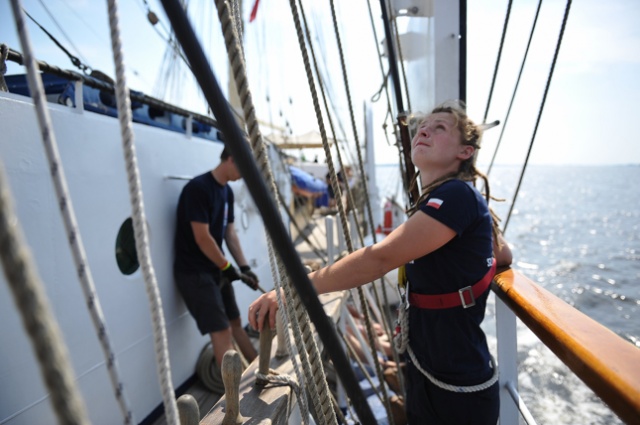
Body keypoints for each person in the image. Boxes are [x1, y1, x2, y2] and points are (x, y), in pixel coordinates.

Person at [248, 101, 512, 424]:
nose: (424, 130)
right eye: (423, 126)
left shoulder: (457, 196)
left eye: (440, 127)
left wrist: (297, 288)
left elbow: (380, 258)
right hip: (431, 378)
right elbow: (504, 255)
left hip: (456, 394)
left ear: (465, 152)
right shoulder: (451, 199)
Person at [174, 146, 259, 372]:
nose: (244, 175)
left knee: (236, 324)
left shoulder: (227, 192)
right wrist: (227, 266)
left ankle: (263, 371)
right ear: (231, 159)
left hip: (217, 269)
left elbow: (229, 233)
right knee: (222, 332)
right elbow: (202, 238)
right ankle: (237, 395)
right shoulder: (198, 189)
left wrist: (244, 267)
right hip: (194, 273)